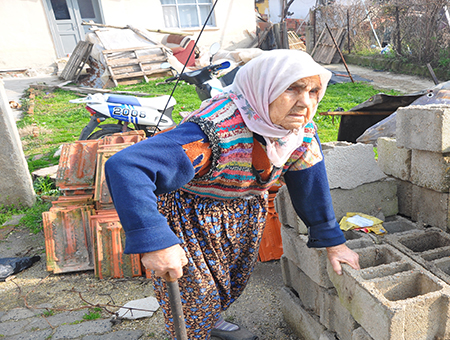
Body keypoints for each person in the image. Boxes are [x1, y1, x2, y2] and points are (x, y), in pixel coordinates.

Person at [105, 49, 360, 340]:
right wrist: (156, 241)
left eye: (314, 91)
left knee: (227, 284)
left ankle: (210, 321)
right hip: (191, 217)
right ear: (266, 87)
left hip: (242, 214)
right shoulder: (212, 132)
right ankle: (195, 331)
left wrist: (333, 242)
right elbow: (127, 166)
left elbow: (309, 182)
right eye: (293, 89)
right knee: (194, 296)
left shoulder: (298, 132)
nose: (305, 102)